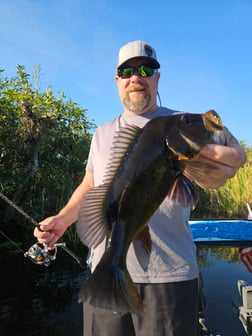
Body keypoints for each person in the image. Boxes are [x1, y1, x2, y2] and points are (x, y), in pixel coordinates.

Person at [34, 40, 246, 336]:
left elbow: (223, 145)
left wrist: (231, 152)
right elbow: (91, 185)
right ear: (117, 79)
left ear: (157, 77)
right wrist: (62, 219)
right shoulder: (102, 133)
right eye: (127, 71)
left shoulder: (180, 124)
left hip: (169, 277)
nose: (136, 77)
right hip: (105, 271)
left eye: (146, 69)